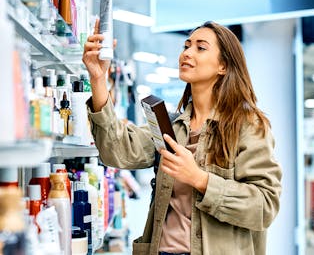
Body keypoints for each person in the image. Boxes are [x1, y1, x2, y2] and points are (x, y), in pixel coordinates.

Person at [83, 20, 282, 255]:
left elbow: (264, 206)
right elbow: (116, 150)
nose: (187, 52)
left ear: (224, 66)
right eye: (186, 45)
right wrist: (98, 78)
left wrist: (200, 179)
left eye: (200, 47)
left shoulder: (248, 126)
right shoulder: (173, 127)